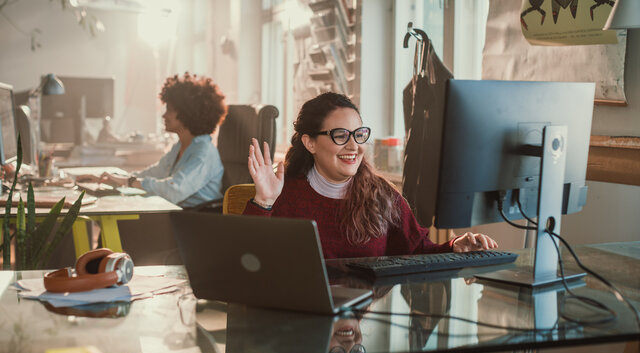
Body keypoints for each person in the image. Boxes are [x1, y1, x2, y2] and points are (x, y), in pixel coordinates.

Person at [244, 92, 498, 258]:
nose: (354, 146)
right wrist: (264, 201)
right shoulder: (284, 194)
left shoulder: (382, 195)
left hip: (366, 321)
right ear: (310, 143)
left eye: (359, 134)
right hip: (297, 322)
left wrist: (455, 246)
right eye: (341, 136)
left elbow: (418, 251)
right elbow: (248, 261)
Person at [78, 72, 227, 208]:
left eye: (169, 109)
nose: (164, 116)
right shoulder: (181, 146)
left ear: (187, 113)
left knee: (120, 222)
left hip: (194, 222)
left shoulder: (204, 152)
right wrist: (120, 179)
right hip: (174, 215)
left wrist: (128, 182)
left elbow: (174, 190)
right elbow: (156, 172)